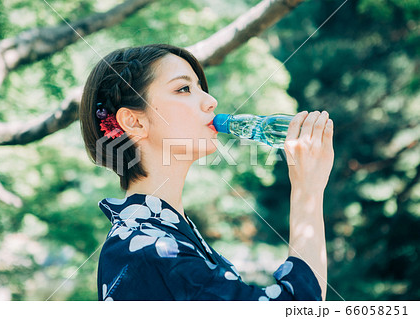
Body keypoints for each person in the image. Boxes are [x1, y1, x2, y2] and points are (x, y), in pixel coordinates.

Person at [79, 44, 334, 301]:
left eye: (201, 87)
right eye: (183, 88)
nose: (211, 101)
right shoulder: (149, 248)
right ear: (134, 121)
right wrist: (307, 190)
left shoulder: (158, 236)